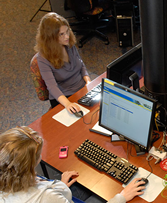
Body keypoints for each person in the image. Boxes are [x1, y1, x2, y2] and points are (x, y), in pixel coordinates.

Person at [0, 126, 146, 203]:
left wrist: (59, 185)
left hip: (57, 194)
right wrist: (122, 197)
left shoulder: (8, 178)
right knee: (101, 195)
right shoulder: (47, 198)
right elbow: (46, 198)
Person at [34, 12, 91, 114]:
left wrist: (88, 81)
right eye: (61, 34)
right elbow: (52, 87)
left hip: (82, 88)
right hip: (63, 97)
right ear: (50, 38)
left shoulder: (69, 43)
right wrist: (68, 104)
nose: (67, 37)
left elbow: (81, 64)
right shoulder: (42, 58)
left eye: (67, 31)